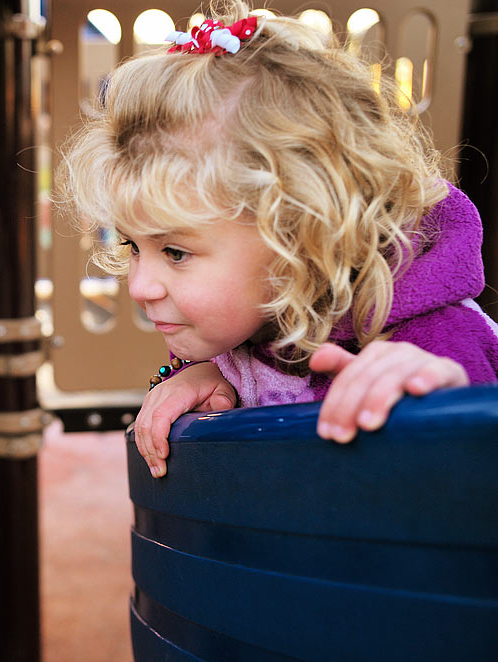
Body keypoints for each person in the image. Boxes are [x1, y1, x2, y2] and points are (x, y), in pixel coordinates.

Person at [56, 1, 498, 478]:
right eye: (132, 247)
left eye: (175, 252)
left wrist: (446, 401)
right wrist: (210, 376)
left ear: (301, 236)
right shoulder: (240, 329)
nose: (141, 286)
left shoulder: (432, 339)